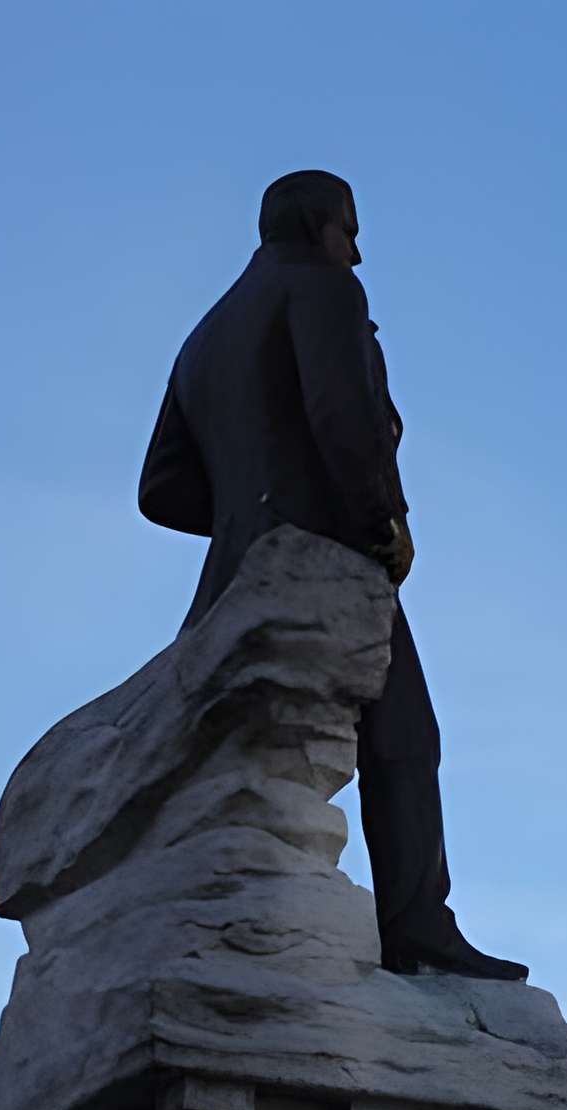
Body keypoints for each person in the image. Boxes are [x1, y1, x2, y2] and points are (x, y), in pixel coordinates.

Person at [138, 169, 526, 983]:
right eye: (351, 228)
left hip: (238, 573)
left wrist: (253, 503)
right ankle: (417, 923)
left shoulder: (203, 337)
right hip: (328, 556)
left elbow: (162, 489)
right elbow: (340, 414)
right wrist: (378, 522)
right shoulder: (325, 289)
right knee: (406, 738)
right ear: (319, 226)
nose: (358, 248)